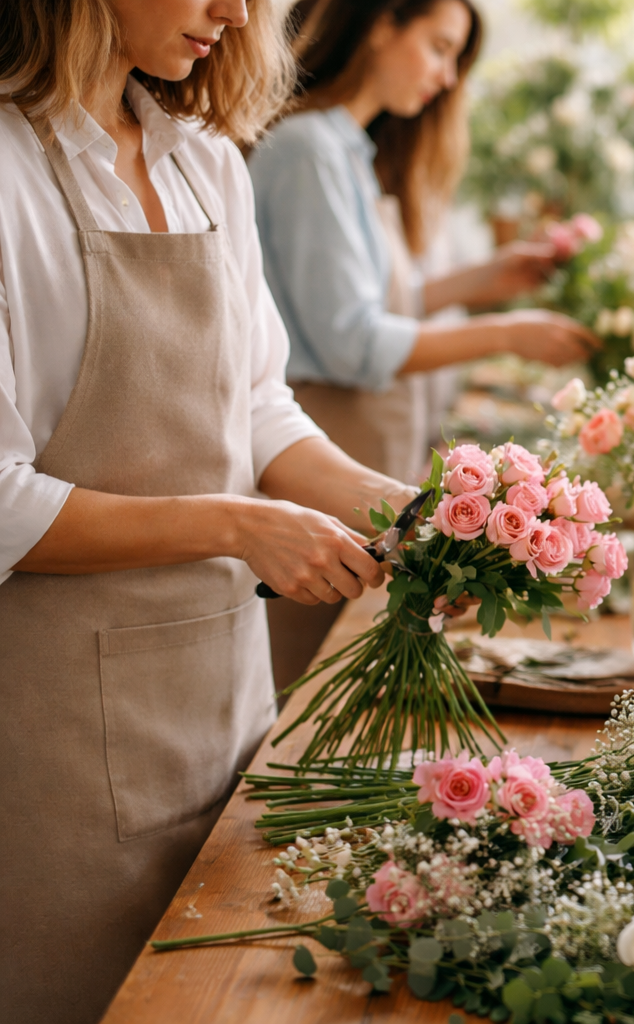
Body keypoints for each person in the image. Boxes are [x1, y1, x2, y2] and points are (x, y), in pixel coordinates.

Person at [0, 2, 425, 1020]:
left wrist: (414, 513)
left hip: (222, 697)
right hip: (51, 731)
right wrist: (237, 526)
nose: (235, 15)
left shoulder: (206, 164)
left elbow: (257, 406)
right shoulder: (7, 171)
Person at [248, 0, 595, 684]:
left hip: (363, 441)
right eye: (439, 47)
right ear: (381, 23)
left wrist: (484, 280)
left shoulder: (348, 149)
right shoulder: (308, 149)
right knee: (309, 670)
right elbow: (350, 341)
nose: (445, 77)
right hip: (327, 445)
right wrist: (508, 335)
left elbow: (361, 306)